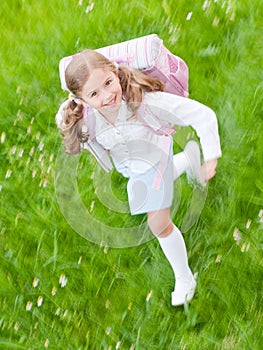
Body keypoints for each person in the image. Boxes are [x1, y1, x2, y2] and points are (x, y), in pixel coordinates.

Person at [55, 49, 222, 306]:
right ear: (81, 99)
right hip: (132, 168)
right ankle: (188, 161)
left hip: (156, 159)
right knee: (150, 195)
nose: (107, 95)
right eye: (94, 94)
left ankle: (185, 277)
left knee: (158, 224)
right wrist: (68, 117)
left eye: (108, 83)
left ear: (115, 71)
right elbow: (66, 119)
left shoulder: (145, 102)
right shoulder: (84, 116)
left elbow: (203, 115)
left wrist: (211, 154)